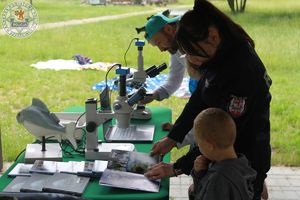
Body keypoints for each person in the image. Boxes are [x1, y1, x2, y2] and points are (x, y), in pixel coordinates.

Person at [145, 0, 272, 199]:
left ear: (212, 37)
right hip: (225, 158)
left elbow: (217, 137)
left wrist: (177, 168)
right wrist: (173, 137)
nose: (191, 59)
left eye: (192, 53)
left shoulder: (240, 71)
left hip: (243, 161)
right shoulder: (219, 55)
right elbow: (200, 98)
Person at [137, 11, 197, 148]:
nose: (161, 49)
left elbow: (204, 109)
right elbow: (174, 79)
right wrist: (154, 95)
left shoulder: (195, 43)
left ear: (169, 29)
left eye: (159, 43)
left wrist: (176, 137)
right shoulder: (174, 47)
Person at [189, 107, 256, 200]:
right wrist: (199, 175)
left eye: (199, 144)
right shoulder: (242, 164)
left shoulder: (219, 180)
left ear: (209, 145)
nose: (199, 148)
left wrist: (196, 184)